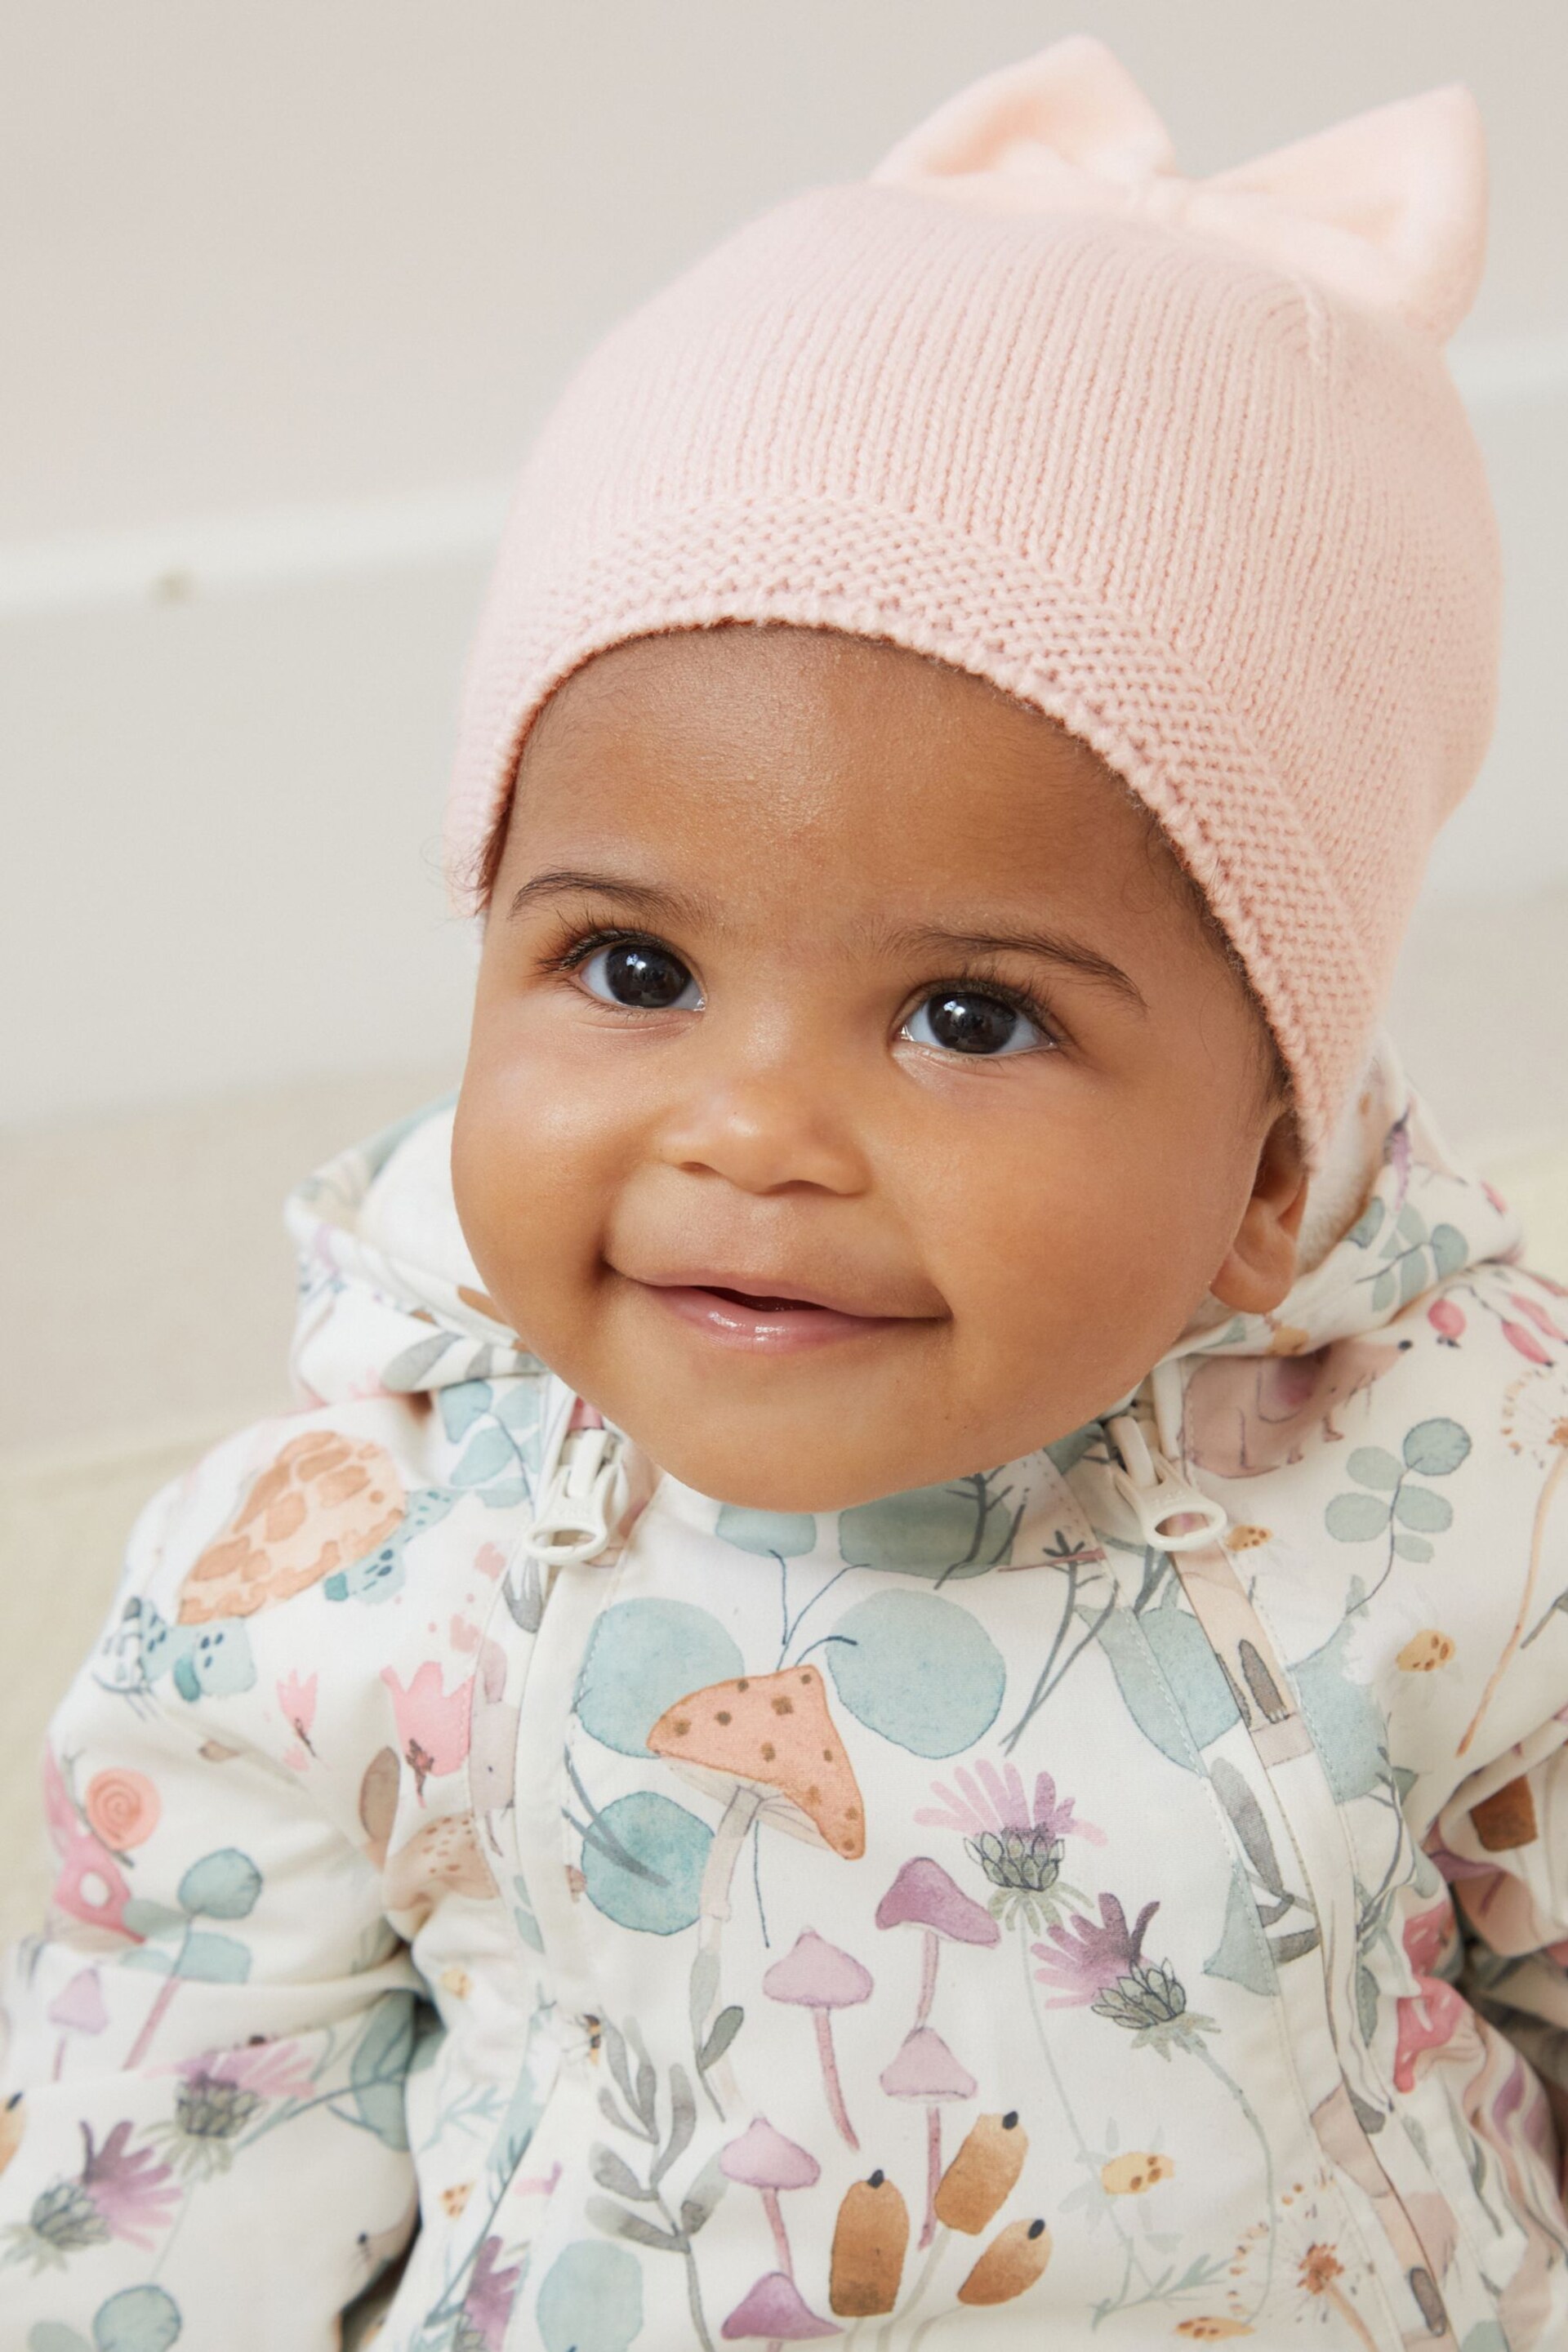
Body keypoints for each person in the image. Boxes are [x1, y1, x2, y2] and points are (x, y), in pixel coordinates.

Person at [3, 33, 1565, 2350]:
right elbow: (179, 2105)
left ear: (1263, 1168)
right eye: (630, 965)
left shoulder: (1468, 1501)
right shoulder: (335, 1568)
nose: (753, 1131)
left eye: (969, 1017)